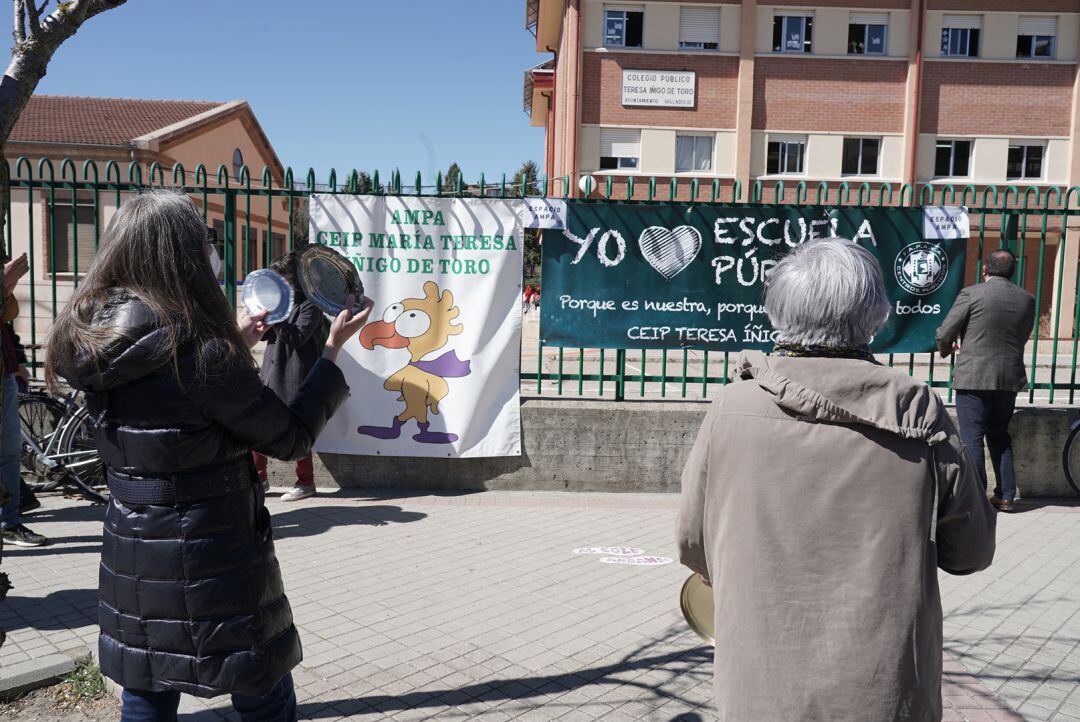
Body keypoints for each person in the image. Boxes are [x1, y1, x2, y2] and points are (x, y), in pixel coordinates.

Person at [45, 190, 373, 721]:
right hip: (216, 551)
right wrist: (332, 352)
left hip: (132, 547)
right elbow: (288, 438)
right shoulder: (203, 352)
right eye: (204, 241)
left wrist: (235, 341)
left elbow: (167, 388)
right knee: (260, 685)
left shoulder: (89, 337)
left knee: (146, 687)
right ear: (180, 256)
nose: (211, 250)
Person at [676, 238, 996, 722]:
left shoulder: (731, 407)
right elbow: (971, 550)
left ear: (777, 309)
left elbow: (692, 543)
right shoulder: (917, 410)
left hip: (761, 687)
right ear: (876, 314)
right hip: (884, 690)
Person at [936, 249, 1036, 513]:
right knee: (999, 436)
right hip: (1008, 378)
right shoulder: (1027, 299)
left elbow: (946, 330)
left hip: (974, 377)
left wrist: (947, 347)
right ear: (1013, 272)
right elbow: (1022, 335)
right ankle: (1006, 495)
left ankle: (976, 497)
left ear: (985, 270)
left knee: (971, 437)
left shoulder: (973, 293)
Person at [254, 250, 329, 502]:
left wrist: (276, 318)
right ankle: (259, 478)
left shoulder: (311, 306)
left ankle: (306, 482)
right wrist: (262, 319)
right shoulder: (280, 305)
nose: (279, 284)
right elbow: (264, 336)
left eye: (283, 278)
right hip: (270, 374)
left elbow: (297, 337)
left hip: (295, 376)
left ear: (296, 280)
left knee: (298, 431)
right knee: (258, 428)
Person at [0, 251, 45, 545]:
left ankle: (9, 521)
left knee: (10, 452)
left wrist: (16, 363)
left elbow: (6, 320)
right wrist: (5, 283)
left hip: (4, 373)